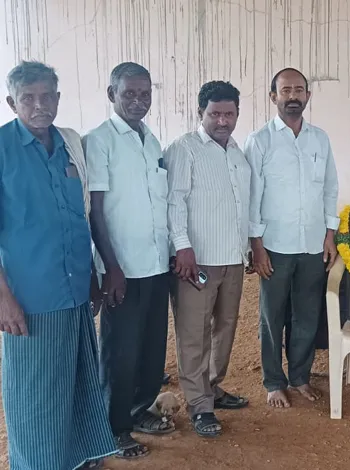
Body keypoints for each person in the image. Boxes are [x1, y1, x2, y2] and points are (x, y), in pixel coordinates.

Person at [0, 61, 115, 469]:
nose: (40, 106)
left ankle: (75, 457)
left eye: (47, 96)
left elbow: (81, 215)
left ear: (58, 98)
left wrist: (92, 276)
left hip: (74, 289)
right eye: (28, 98)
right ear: (12, 102)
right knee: (35, 394)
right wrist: (4, 299)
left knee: (76, 380)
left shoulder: (69, 144)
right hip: (31, 299)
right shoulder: (2, 149)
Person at [84, 62, 172, 459]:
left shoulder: (151, 141)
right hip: (122, 269)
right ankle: (114, 427)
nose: (138, 101)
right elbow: (96, 211)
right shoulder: (100, 141)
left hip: (156, 264)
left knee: (151, 347)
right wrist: (112, 267)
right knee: (120, 352)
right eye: (129, 93)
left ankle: (139, 410)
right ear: (112, 94)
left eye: (145, 93)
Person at [245, 67, 339, 409]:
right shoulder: (260, 141)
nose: (293, 96)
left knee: (307, 314)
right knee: (271, 315)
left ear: (308, 96)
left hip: (312, 244)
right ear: (274, 97)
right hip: (274, 246)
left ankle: (300, 377)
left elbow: (330, 189)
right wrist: (256, 245)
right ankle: (274, 382)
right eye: (286, 91)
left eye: (299, 90)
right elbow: (252, 196)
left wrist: (330, 235)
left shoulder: (320, 139)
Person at [164, 80, 251, 438]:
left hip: (232, 258)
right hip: (196, 262)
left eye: (229, 114)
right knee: (194, 332)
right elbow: (174, 201)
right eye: (215, 114)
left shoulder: (237, 153)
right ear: (201, 112)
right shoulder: (184, 149)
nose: (222, 121)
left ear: (237, 114)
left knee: (225, 327)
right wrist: (182, 247)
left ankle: (212, 387)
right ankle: (200, 405)